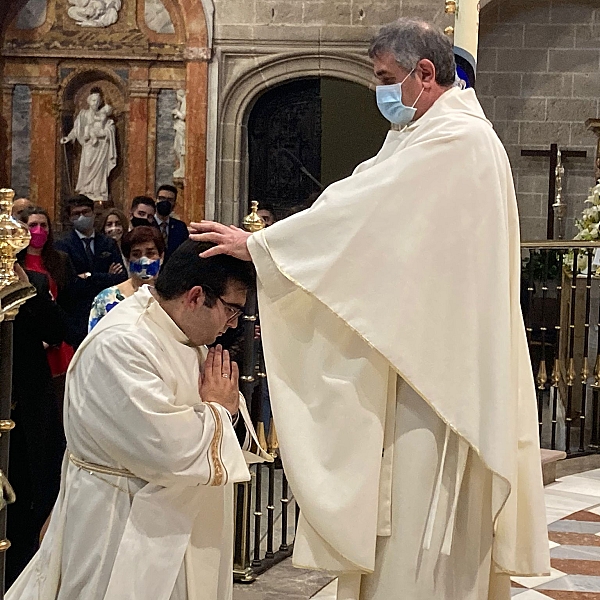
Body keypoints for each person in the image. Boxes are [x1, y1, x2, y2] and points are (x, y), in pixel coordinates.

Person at [190, 18, 550, 600]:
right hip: (418, 352)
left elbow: (361, 217)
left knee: (420, 523)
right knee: (400, 516)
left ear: (425, 74)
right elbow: (354, 201)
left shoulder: (457, 142)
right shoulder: (420, 135)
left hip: (439, 375)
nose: (380, 92)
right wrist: (272, 244)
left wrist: (259, 246)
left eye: (386, 79)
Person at [7, 240, 271, 600]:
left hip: (171, 522)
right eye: (231, 309)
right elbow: (165, 447)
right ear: (195, 296)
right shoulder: (123, 344)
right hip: (121, 525)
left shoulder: (184, 334)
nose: (233, 323)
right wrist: (221, 413)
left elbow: (219, 405)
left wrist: (223, 411)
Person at [7, 266, 66, 588]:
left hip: (30, 418)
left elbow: (59, 331)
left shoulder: (36, 282)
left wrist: (27, 290)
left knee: (29, 510)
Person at [55, 194, 126, 347]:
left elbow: (120, 278)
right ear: (70, 218)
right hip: (77, 317)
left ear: (93, 213)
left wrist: (87, 276)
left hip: (107, 314)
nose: (82, 217)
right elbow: (70, 285)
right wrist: (106, 276)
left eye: (86, 212)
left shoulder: (107, 243)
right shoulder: (62, 245)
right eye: (76, 214)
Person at [18, 207, 76, 379]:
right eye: (33, 225)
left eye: (43, 225)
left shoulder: (60, 259)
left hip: (58, 340)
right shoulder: (15, 262)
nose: (39, 230)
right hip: (28, 340)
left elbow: (68, 301)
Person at [89, 226, 165, 330]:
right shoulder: (105, 299)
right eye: (136, 254)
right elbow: (95, 342)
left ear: (161, 257)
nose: (144, 260)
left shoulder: (172, 297)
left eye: (150, 253)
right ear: (128, 260)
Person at [60, 89, 117, 203]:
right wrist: (69, 137)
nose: (95, 103)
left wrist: (103, 132)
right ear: (89, 101)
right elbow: (76, 129)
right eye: (93, 100)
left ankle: (98, 191)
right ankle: (86, 190)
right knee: (87, 166)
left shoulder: (104, 116)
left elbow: (110, 130)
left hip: (102, 147)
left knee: (100, 170)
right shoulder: (83, 114)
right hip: (88, 146)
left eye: (98, 101)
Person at [154, 184, 189, 260]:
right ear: (156, 201)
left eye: (169, 200)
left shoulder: (180, 227)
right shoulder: (147, 224)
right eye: (161, 198)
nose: (165, 202)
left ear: (174, 204)